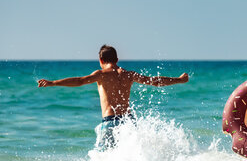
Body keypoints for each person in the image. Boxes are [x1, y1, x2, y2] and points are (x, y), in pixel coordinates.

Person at [38, 45, 189, 149]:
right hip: (129, 122)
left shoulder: (101, 75)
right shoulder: (129, 75)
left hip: (110, 123)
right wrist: (179, 80)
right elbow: (154, 81)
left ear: (101, 61)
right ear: (117, 59)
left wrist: (53, 83)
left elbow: (80, 81)